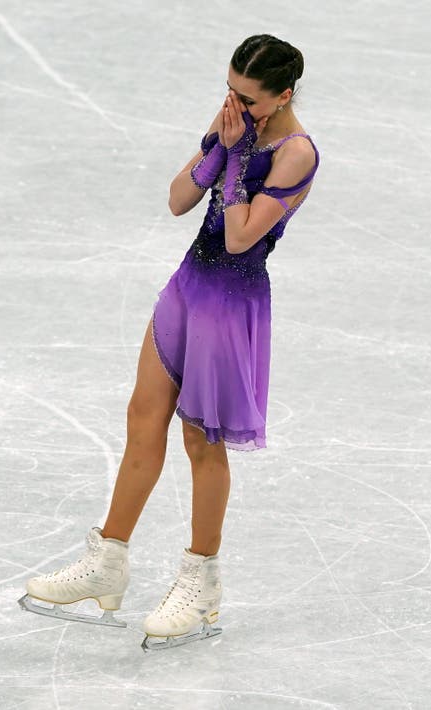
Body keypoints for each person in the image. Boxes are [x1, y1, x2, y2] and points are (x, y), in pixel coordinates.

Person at [18, 34, 321, 652]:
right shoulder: (236, 124)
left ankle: (202, 580)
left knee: (201, 440)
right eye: (228, 90)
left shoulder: (296, 153)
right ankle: (108, 561)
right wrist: (217, 147)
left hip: (230, 302)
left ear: (284, 95)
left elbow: (240, 238)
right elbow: (179, 199)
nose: (233, 103)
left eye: (247, 97)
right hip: (185, 288)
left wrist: (235, 158)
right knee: (142, 418)